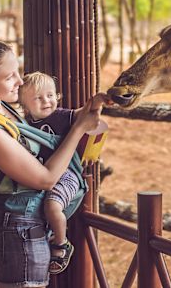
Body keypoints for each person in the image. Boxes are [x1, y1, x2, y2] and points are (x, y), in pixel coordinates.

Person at [0, 40, 103, 287]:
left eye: (18, 71)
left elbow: (45, 121)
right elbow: (45, 178)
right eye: (10, 77)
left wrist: (83, 113)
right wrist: (80, 128)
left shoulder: (2, 107)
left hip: (28, 224)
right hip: (18, 231)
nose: (20, 81)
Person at [18, 72, 109, 274]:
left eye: (50, 95)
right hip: (41, 174)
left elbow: (84, 112)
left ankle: (61, 243)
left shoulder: (59, 116)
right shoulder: (24, 124)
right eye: (38, 98)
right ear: (25, 105)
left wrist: (98, 100)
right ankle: (49, 234)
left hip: (66, 174)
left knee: (52, 206)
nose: (46, 101)